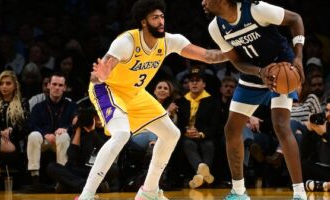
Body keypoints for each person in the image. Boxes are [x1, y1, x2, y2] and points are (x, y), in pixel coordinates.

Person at [76, 0, 228, 199]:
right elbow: (96, 76)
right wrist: (101, 76)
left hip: (135, 93)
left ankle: (148, 191)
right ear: (144, 22)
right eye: (155, 18)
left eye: (162, 16)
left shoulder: (171, 41)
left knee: (171, 134)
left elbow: (208, 56)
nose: (161, 21)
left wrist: (235, 53)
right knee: (121, 134)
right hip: (108, 90)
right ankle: (86, 195)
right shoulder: (126, 42)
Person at [202, 0, 307, 199]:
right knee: (231, 129)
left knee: (281, 126)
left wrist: (298, 57)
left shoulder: (256, 10)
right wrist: (260, 72)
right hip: (254, 73)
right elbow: (236, 61)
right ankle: (239, 192)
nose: (203, 2)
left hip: (281, 67)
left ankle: (300, 193)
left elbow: (295, 19)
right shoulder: (215, 27)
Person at [27, 72, 77, 188]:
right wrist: (45, 134)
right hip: (44, 141)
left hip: (61, 141)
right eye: (54, 84)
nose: (57, 88)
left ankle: (61, 178)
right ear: (48, 85)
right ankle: (34, 176)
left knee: (64, 136)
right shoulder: (38, 107)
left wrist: (65, 129)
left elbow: (76, 125)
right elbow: (31, 125)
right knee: (33, 135)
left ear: (64, 88)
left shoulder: (72, 106)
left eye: (60, 85)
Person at [175, 67, 221, 189]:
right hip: (186, 136)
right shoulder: (180, 101)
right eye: (191, 81)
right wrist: (186, 132)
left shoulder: (213, 101)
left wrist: (201, 134)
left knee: (208, 145)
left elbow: (215, 125)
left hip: (205, 136)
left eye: (197, 80)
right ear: (188, 84)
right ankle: (204, 177)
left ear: (204, 84)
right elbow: (177, 124)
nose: (194, 83)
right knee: (188, 144)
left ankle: (199, 177)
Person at [302, 96, 330, 192]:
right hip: (324, 170)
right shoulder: (322, 126)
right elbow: (305, 152)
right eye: (326, 110)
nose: (328, 114)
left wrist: (325, 135)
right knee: (304, 164)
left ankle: (319, 185)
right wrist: (309, 132)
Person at [0, 70, 30, 180]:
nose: (4, 86)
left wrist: (10, 129)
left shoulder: (23, 103)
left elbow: (26, 126)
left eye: (8, 83)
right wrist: (0, 132)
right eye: (1, 83)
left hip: (13, 142)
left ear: (15, 86)